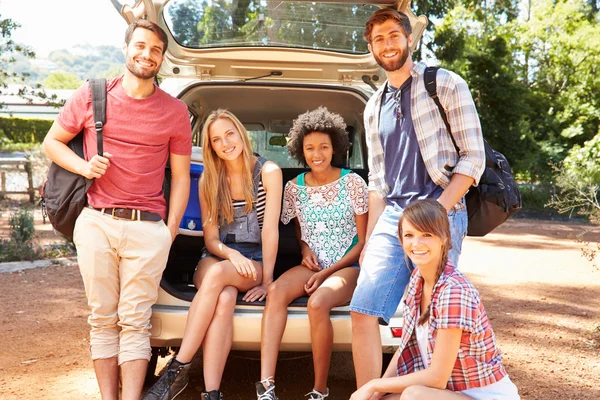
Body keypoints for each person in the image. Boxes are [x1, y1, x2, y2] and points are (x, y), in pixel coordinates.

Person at [42, 20, 192, 400]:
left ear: (161, 58)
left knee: (136, 323)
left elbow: (180, 176)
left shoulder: (175, 111)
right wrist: (83, 167)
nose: (147, 54)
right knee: (103, 319)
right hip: (96, 221)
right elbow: (52, 143)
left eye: (156, 50)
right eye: (140, 46)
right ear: (126, 48)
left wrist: (169, 230)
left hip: (148, 228)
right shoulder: (92, 94)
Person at [349, 8, 486, 387]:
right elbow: (377, 180)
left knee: (431, 316)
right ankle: (368, 394)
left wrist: (436, 211)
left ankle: (426, 393)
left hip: (440, 212)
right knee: (362, 311)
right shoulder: (372, 106)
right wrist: (370, 238)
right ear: (370, 47)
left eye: (394, 35)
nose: (387, 44)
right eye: (378, 39)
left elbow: (473, 157)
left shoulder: (443, 83)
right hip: (393, 217)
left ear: (410, 39)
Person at [143, 109, 282, 400]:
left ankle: (178, 366)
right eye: (216, 139)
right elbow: (212, 239)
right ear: (210, 146)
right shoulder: (209, 178)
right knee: (225, 295)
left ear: (241, 133)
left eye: (229, 134)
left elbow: (270, 231)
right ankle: (212, 393)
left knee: (220, 277)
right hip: (217, 256)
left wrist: (267, 281)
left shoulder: (268, 173)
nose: (225, 143)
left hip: (254, 260)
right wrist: (231, 255)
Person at [350, 199, 520, 400]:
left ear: (444, 238)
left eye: (427, 235)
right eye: (409, 235)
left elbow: (437, 377)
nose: (416, 243)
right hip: (446, 393)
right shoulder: (417, 280)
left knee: (413, 396)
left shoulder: (453, 291)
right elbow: (405, 346)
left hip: (482, 395)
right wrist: (376, 392)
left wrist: (375, 384)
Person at [256, 107, 368, 400]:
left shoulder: (353, 183)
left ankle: (319, 390)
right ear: (300, 151)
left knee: (317, 303)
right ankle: (266, 386)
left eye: (323, 147)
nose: (316, 154)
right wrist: (305, 249)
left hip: (347, 267)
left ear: (336, 148)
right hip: (314, 265)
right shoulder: (293, 188)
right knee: (277, 290)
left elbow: (362, 242)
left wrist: (326, 273)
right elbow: (298, 230)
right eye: (309, 148)